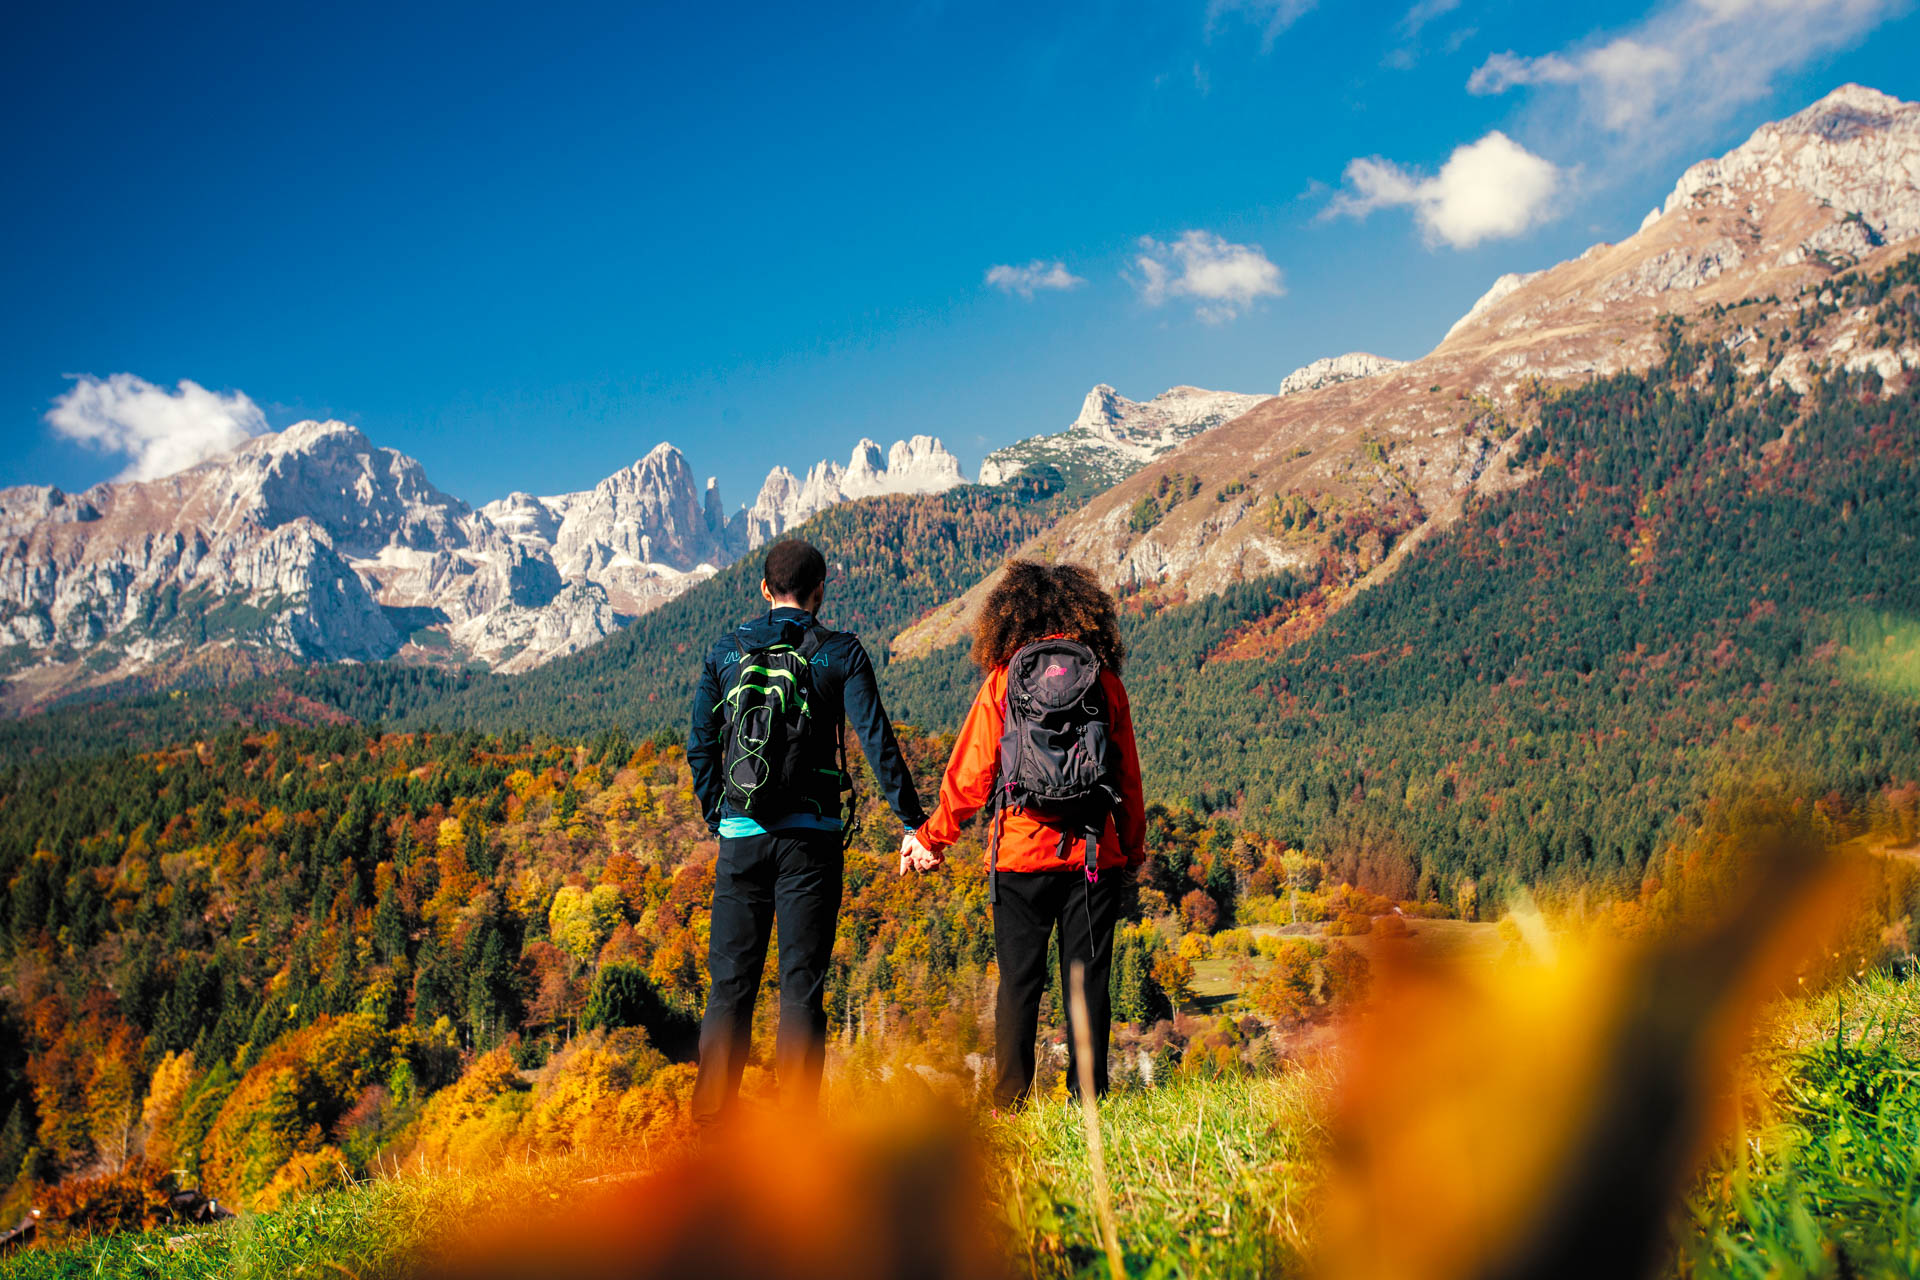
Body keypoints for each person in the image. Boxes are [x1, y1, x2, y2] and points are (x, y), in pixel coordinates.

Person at [687, 539, 928, 1124]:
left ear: (765, 591)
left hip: (741, 838)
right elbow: (876, 741)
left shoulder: (726, 651)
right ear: (821, 590)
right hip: (812, 844)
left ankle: (711, 1125)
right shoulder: (841, 651)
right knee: (800, 988)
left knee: (730, 987)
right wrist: (914, 823)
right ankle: (794, 1133)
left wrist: (719, 814)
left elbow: (699, 744)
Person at [901, 559, 1145, 1108]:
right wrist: (1131, 849)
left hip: (1019, 857)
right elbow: (1127, 775)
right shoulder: (1105, 681)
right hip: (1091, 855)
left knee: (1019, 986)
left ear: (1012, 616)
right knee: (1088, 985)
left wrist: (932, 837)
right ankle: (1089, 1100)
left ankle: (1009, 1103)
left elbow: (971, 774)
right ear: (1087, 615)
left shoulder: (1005, 679)